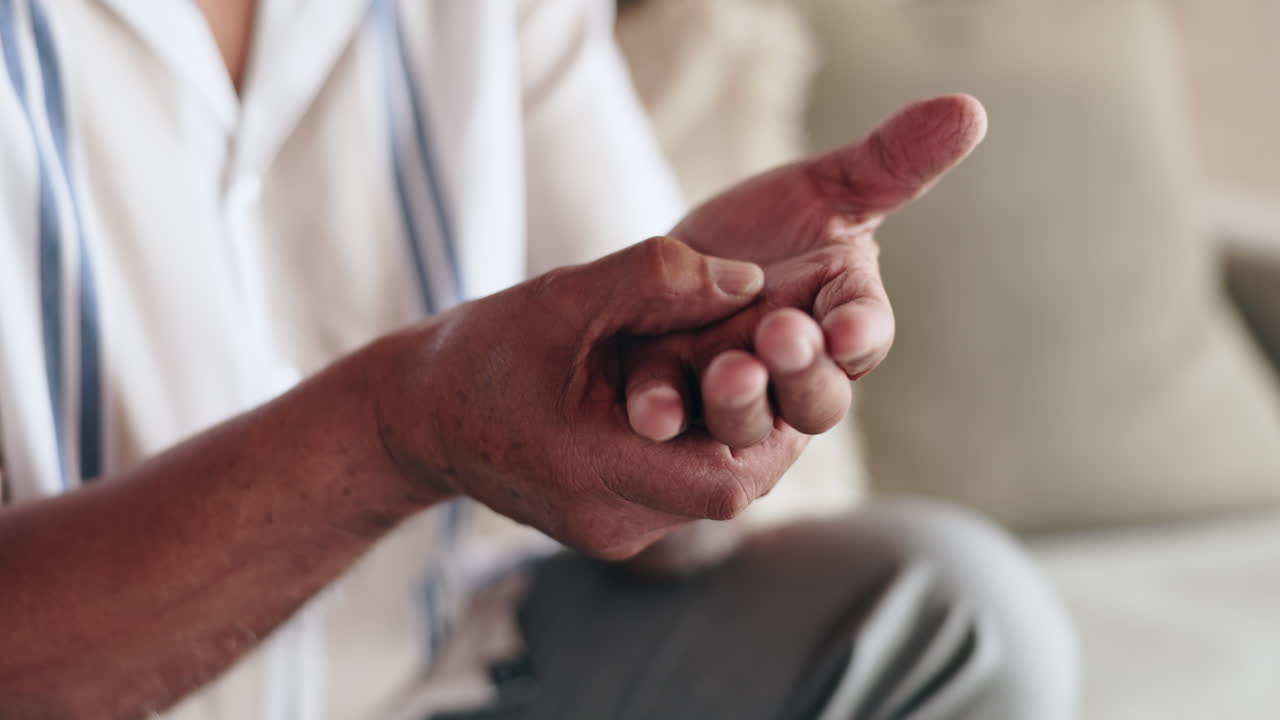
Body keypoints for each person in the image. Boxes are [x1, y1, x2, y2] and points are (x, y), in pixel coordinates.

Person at [0, 1, 1077, 718]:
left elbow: (654, 510)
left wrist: (685, 368)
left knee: (944, 613)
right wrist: (395, 433)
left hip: (442, 679)